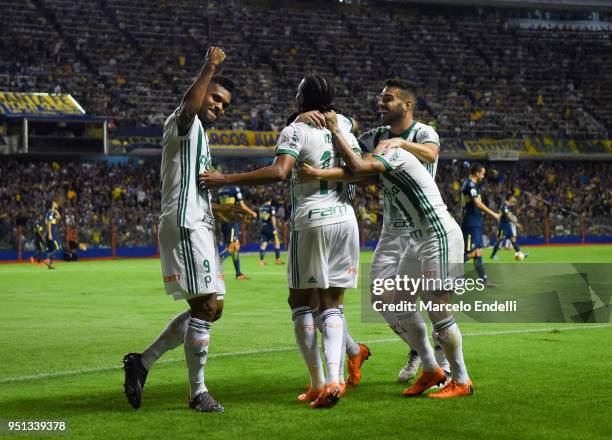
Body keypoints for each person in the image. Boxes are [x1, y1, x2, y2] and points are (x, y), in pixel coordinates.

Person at [200, 75, 360, 409]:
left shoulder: (296, 131)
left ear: (304, 98)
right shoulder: (343, 123)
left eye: (298, 91)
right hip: (347, 220)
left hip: (313, 221)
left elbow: (278, 172)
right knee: (332, 303)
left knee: (299, 302)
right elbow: (357, 160)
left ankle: (319, 383)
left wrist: (225, 179)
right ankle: (336, 380)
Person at [303, 109, 473, 398]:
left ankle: (461, 380)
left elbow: (357, 165)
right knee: (396, 301)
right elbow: (358, 168)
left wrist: (321, 165)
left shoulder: (397, 152)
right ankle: (431, 368)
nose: (375, 143)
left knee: (439, 311)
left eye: (382, 142)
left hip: (438, 234)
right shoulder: (384, 151)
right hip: (413, 238)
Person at [122, 46, 243, 413]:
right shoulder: (183, 120)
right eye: (216, 98)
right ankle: (197, 393)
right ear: (201, 91)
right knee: (206, 305)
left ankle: (142, 363)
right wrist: (209, 66)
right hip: (185, 224)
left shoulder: (201, 135)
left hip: (201, 223)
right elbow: (189, 105)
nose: (220, 107)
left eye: (225, 104)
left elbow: (191, 184)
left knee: (213, 308)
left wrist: (220, 210)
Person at [460, 163, 500, 286]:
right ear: (477, 173)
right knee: (472, 252)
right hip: (471, 223)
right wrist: (493, 214)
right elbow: (477, 203)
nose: (483, 176)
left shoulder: (468, 184)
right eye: (482, 173)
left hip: (473, 221)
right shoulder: (471, 185)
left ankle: (484, 279)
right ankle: (448, 274)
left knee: (478, 251)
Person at [217, 185, 257, 279]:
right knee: (232, 246)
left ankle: (238, 274)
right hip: (232, 222)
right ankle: (217, 262)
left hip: (225, 223)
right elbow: (242, 205)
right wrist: (252, 213)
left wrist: (224, 219)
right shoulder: (235, 189)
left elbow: (217, 209)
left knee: (236, 246)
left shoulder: (220, 190)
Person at [491, 194, 527, 260]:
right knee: (499, 240)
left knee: (513, 239)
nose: (513, 198)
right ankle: (493, 255)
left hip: (507, 225)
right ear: (510, 198)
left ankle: (519, 253)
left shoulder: (507, 205)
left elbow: (512, 206)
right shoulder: (504, 206)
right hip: (503, 225)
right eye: (512, 197)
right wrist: (517, 224)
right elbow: (509, 216)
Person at [258, 198, 284, 266]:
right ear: (270, 200)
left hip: (263, 228)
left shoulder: (261, 208)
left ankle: (261, 261)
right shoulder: (271, 207)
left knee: (263, 244)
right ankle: (277, 260)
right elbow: (272, 218)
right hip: (270, 228)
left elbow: (260, 218)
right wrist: (275, 228)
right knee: (277, 242)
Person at [45, 201, 62, 270]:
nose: (57, 204)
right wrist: (50, 233)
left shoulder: (52, 212)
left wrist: (55, 210)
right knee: (58, 247)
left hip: (50, 233)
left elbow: (59, 217)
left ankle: (50, 265)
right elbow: (49, 222)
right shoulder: (51, 213)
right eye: (55, 203)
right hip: (52, 233)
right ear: (52, 204)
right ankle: (47, 259)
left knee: (51, 249)